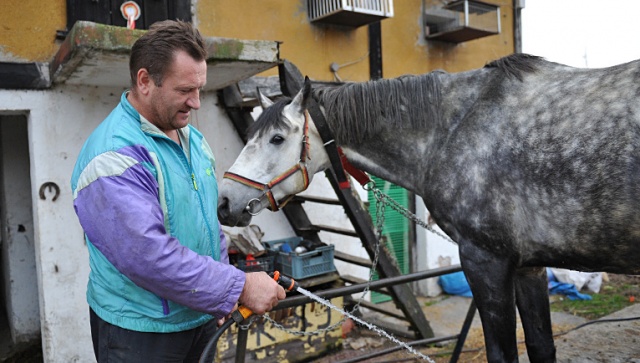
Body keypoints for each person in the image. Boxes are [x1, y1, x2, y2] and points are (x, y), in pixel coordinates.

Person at [70, 20, 286, 362]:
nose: (196, 102)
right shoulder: (111, 157)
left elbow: (206, 225)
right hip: (142, 331)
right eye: (185, 90)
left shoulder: (192, 141)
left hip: (197, 317)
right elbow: (146, 255)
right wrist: (237, 287)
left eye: (199, 88)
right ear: (145, 81)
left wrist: (216, 297)